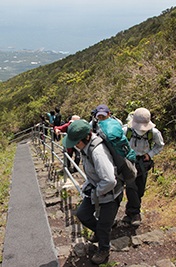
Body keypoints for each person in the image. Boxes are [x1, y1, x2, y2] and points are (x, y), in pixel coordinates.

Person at [62, 119, 124, 265]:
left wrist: (97, 192)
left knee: (103, 225)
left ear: (87, 137)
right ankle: (103, 233)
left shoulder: (98, 152)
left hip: (111, 193)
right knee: (82, 214)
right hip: (97, 189)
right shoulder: (85, 147)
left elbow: (109, 180)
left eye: (76, 142)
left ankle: (104, 248)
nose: (75, 146)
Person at [123, 108, 164, 226]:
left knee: (140, 189)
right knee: (131, 187)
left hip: (143, 163)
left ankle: (130, 212)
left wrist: (149, 155)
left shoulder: (154, 133)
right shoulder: (126, 131)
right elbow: (118, 143)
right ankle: (136, 213)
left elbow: (159, 145)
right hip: (129, 162)